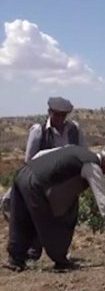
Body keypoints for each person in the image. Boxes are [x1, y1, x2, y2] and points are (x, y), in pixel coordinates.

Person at [5, 144, 105, 271]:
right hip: (37, 184)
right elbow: (103, 202)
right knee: (53, 220)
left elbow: (42, 154)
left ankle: (15, 259)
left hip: (24, 172)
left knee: (21, 218)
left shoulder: (75, 149)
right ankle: (60, 260)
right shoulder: (92, 166)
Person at [1, 97, 86, 261]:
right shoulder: (38, 131)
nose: (61, 119)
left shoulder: (74, 130)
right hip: (41, 182)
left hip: (66, 185)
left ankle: (58, 252)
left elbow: (82, 153)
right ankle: (29, 253)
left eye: (64, 115)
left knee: (64, 219)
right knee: (36, 217)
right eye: (57, 115)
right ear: (49, 112)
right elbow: (30, 160)